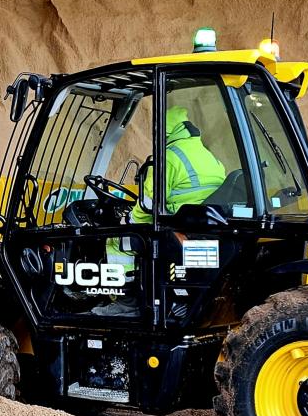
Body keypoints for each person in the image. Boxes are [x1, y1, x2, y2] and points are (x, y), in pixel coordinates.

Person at [95, 105, 226, 316]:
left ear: (165, 131)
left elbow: (148, 203)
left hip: (174, 224)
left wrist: (127, 221)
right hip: (201, 225)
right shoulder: (209, 156)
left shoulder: (168, 158)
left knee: (116, 240)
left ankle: (126, 301)